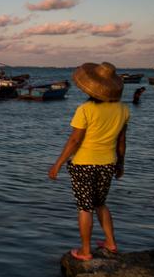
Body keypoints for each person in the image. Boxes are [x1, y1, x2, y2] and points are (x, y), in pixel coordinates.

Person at [48, 62, 129, 261]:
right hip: (108, 163)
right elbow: (122, 140)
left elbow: (75, 140)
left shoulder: (85, 109)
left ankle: (85, 251)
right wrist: (121, 164)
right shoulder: (123, 109)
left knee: (85, 208)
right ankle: (110, 242)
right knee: (100, 204)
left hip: (84, 164)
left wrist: (58, 164)